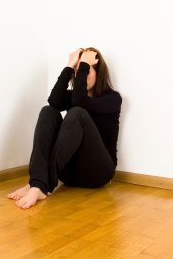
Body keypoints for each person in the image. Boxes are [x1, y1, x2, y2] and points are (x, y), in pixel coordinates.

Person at [8, 47, 122, 209]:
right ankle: (37, 183)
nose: (79, 74)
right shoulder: (75, 98)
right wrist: (70, 65)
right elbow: (53, 101)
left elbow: (80, 103)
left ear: (99, 73)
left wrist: (82, 63)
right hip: (68, 175)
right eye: (78, 70)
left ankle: (43, 185)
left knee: (77, 113)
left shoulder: (112, 99)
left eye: (85, 69)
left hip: (98, 173)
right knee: (48, 111)